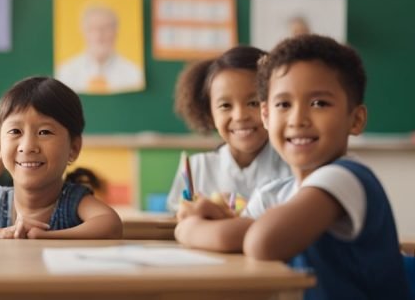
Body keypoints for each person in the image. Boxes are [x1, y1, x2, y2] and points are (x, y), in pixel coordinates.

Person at [175, 35, 411, 299]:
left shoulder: (346, 177)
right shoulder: (275, 193)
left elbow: (261, 241)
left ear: (355, 120)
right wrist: (213, 217)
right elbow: (239, 233)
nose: (298, 119)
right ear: (266, 116)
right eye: (283, 104)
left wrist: (190, 228)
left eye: (319, 103)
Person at [0, 77, 122, 239]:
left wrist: (48, 237)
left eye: (44, 132)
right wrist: (2, 234)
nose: (28, 146)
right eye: (15, 131)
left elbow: (110, 224)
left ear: (73, 148)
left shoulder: (73, 201)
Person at [166, 46, 291, 212]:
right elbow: (176, 222)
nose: (240, 116)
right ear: (210, 113)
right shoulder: (198, 168)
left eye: (253, 103)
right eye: (225, 105)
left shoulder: (293, 165)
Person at [55, 4, 144, 94]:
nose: (99, 35)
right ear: (83, 31)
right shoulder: (66, 72)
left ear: (116, 31)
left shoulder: (133, 73)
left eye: (105, 28)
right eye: (93, 28)